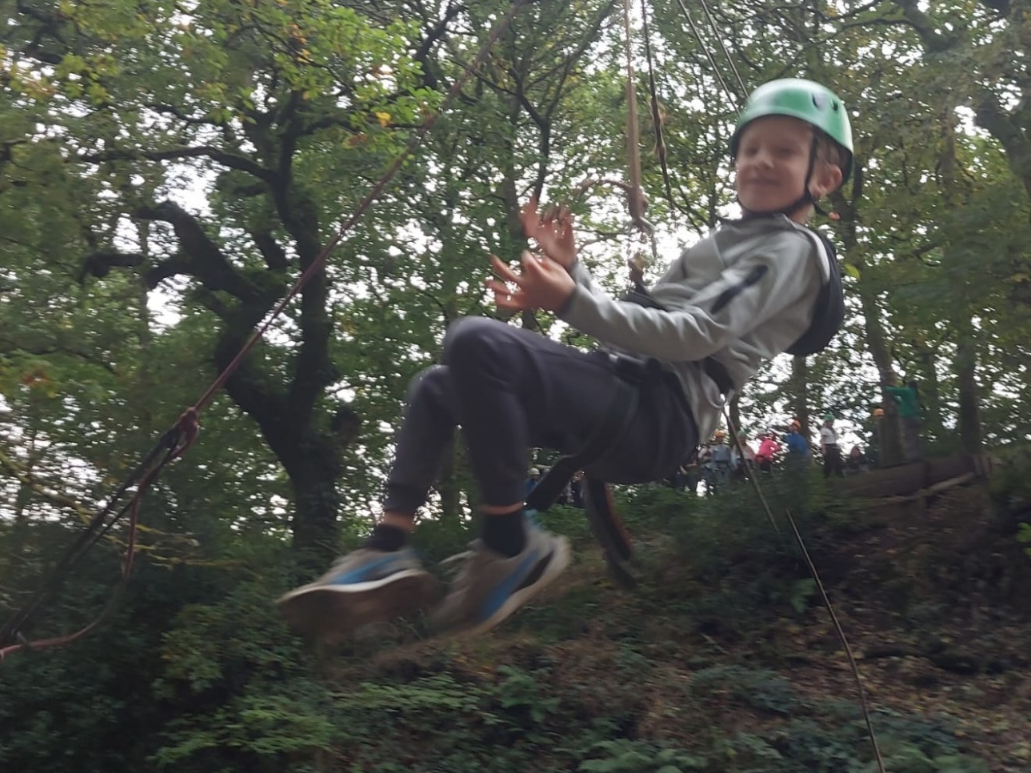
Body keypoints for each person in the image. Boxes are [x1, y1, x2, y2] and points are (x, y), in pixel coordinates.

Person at [278, 78, 852, 640]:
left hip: (658, 416)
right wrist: (573, 273)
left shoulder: (791, 249)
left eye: (784, 151)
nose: (760, 161)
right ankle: (387, 547)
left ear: (824, 178)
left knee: (477, 340)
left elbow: (696, 336)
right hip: (628, 398)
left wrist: (570, 301)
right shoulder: (738, 243)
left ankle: (509, 544)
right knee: (438, 386)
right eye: (750, 149)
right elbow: (638, 336)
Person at [819, 413, 844, 477]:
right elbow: (823, 440)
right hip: (828, 446)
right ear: (827, 422)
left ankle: (839, 475)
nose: (831, 423)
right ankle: (826, 475)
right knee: (828, 462)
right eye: (830, 421)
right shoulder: (824, 430)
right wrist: (823, 448)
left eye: (832, 421)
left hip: (834, 445)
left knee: (837, 460)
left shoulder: (832, 430)